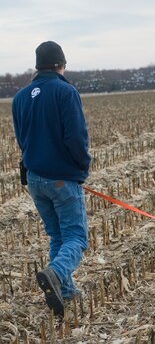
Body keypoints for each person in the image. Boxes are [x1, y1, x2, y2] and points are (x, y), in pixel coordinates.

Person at [12, 41, 91, 316]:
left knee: (57, 235)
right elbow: (76, 138)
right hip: (61, 180)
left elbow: (21, 139)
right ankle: (56, 274)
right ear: (60, 65)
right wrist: (82, 167)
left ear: (38, 66)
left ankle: (65, 290)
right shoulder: (65, 91)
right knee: (76, 237)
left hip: (35, 179)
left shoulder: (20, 97)